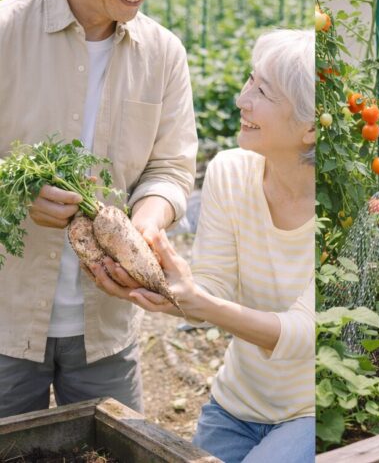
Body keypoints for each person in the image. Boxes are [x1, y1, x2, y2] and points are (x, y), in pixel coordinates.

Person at [0, 0, 202, 418]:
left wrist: (149, 219)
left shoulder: (164, 54)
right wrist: (15, 195)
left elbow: (172, 166)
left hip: (107, 325)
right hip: (6, 319)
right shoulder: (5, 32)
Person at [90, 30, 316, 463]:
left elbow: (305, 335)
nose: (241, 100)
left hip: (310, 410)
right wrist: (153, 283)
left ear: (309, 128)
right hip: (237, 404)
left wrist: (196, 302)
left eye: (262, 91)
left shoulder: (337, 207)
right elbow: (213, 288)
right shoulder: (230, 172)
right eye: (250, 81)